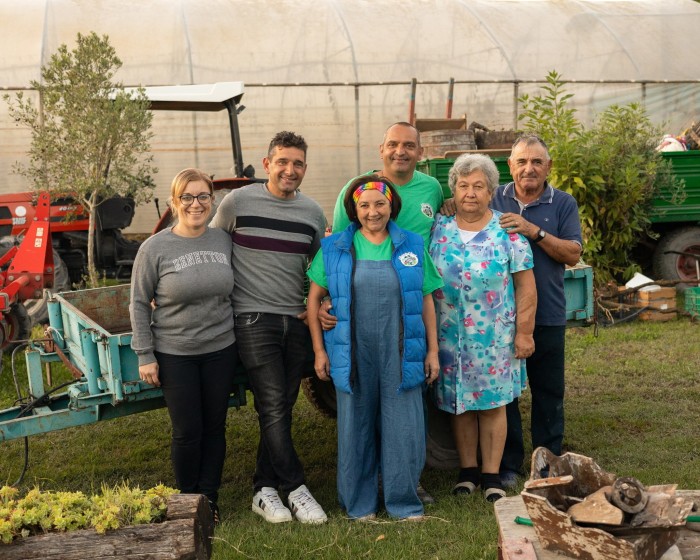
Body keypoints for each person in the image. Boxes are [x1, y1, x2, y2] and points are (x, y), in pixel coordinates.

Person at [307, 175, 443, 520]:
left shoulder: (411, 245)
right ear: (353, 209)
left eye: (379, 204)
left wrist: (431, 351)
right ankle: (359, 503)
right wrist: (320, 352)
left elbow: (426, 301)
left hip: (401, 349)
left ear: (391, 206)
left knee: (404, 425)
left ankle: (403, 501)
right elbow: (314, 302)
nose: (372, 212)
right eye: (364, 205)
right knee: (356, 424)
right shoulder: (335, 247)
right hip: (353, 350)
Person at [210, 131, 328, 524]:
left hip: (295, 321)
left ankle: (263, 488)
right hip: (252, 318)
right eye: (282, 162)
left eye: (297, 164)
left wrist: (320, 304)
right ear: (267, 164)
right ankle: (295, 486)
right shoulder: (237, 203)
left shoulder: (312, 213)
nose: (289, 170)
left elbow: (319, 272)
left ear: (305, 169)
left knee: (281, 406)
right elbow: (210, 250)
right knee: (274, 403)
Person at [129, 168, 237, 524]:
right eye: (187, 197)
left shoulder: (223, 240)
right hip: (176, 354)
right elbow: (139, 302)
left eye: (203, 196)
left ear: (212, 200)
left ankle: (210, 497)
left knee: (215, 427)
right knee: (188, 431)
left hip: (221, 349)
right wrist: (145, 354)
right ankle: (189, 500)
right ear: (175, 202)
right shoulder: (155, 248)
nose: (196, 204)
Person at [429, 154, 537, 502]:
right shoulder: (438, 229)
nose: (470, 192)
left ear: (491, 192)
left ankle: (491, 475)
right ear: (454, 192)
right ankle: (468, 472)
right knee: (460, 403)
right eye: (463, 185)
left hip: (494, 338)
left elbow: (526, 287)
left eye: (478, 186)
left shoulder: (508, 233)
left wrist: (524, 332)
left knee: (492, 406)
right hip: (447, 337)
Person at [491, 135, 583, 488]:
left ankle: (548, 464)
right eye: (521, 162)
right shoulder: (493, 196)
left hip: (547, 311)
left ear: (548, 167)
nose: (529, 168)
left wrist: (534, 231)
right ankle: (510, 463)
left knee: (547, 391)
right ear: (510, 166)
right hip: (499, 316)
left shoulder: (562, 203)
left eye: (536, 162)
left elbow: (572, 253)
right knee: (507, 392)